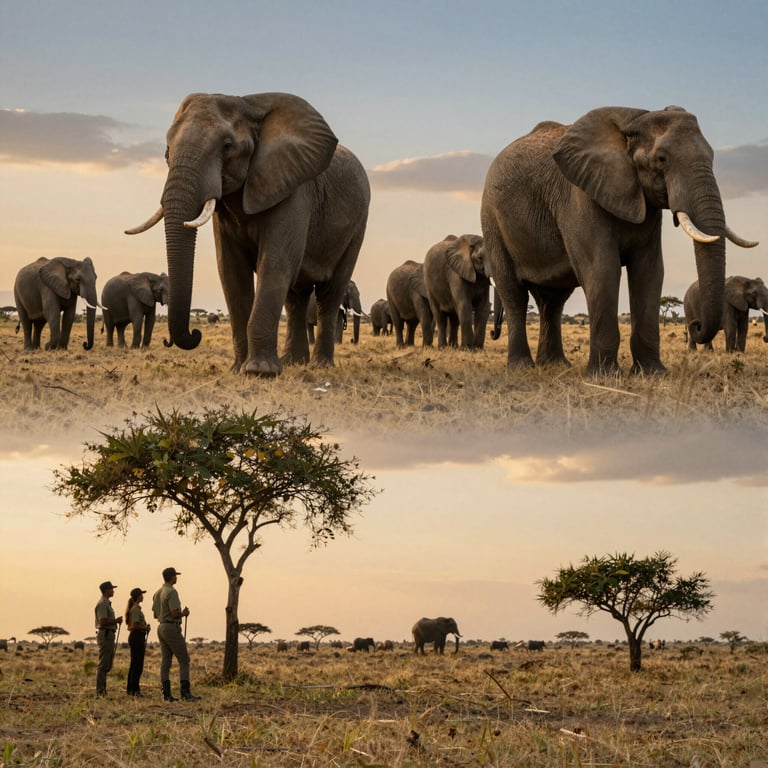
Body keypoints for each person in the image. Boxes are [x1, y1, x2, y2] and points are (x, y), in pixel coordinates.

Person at [152, 567, 200, 701]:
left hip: (161, 627)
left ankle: (166, 694)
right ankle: (185, 693)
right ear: (171, 577)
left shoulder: (157, 593)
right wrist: (183, 613)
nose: (177, 578)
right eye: (175, 575)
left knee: (166, 661)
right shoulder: (172, 592)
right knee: (184, 660)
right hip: (172, 627)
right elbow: (174, 613)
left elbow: (155, 614)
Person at [94, 580, 122, 697]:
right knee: (103, 663)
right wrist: (115, 621)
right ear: (106, 591)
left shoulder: (106, 603)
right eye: (111, 589)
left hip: (108, 634)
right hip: (105, 634)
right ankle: (100, 691)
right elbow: (103, 621)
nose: (113, 591)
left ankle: (102, 690)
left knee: (106, 662)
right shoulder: (102, 604)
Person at [125, 587, 150, 697]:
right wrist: (145, 628)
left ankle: (131, 690)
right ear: (138, 596)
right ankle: (135, 690)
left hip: (136, 637)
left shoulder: (134, 608)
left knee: (134, 665)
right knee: (137, 666)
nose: (143, 596)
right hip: (137, 637)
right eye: (141, 594)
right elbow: (135, 625)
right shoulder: (135, 609)